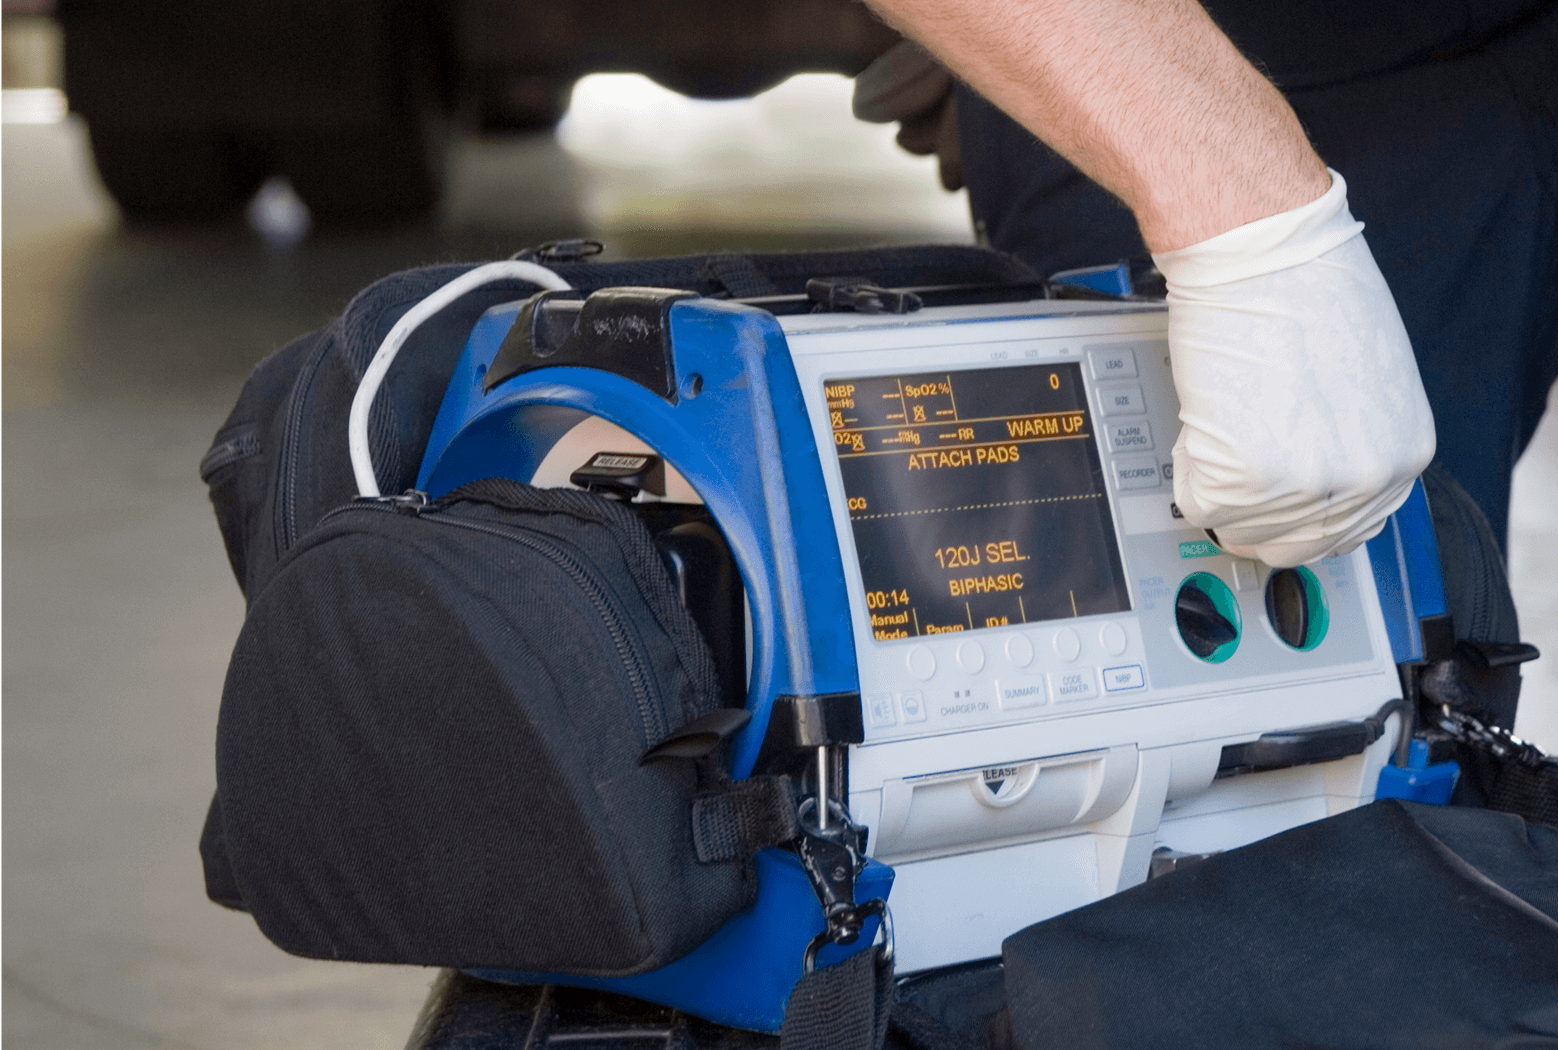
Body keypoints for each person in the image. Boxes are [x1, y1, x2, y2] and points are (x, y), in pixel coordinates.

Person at [857, 0, 1557, 561]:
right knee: (1304, 636)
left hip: (1495, 61)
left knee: (1441, 652)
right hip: (1246, 92)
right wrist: (1247, 213)